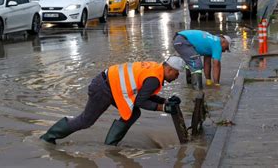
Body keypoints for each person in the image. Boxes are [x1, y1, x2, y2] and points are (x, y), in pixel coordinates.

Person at [40, 56, 186, 146]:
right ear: (169, 69)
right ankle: (48, 137)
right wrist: (163, 108)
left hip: (111, 86)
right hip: (103, 88)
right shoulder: (154, 78)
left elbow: (143, 94)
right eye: (177, 73)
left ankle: (110, 145)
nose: (177, 76)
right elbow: (141, 101)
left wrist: (165, 101)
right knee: (86, 121)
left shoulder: (156, 69)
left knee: (133, 113)